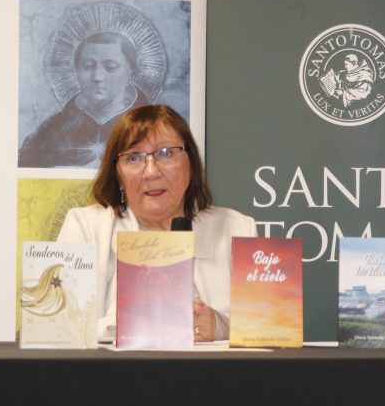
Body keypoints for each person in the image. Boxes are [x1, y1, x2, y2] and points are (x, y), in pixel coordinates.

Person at [57, 104, 256, 342]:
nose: (151, 172)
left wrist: (220, 327)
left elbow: (267, 328)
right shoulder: (85, 228)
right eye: (134, 157)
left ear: (191, 165)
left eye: (166, 153)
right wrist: (137, 322)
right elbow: (56, 328)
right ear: (118, 176)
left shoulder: (237, 229)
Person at [19, 32, 149, 168]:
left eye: (110, 67)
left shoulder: (149, 127)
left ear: (131, 73)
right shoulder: (52, 131)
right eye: (88, 66)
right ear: (77, 71)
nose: (97, 77)